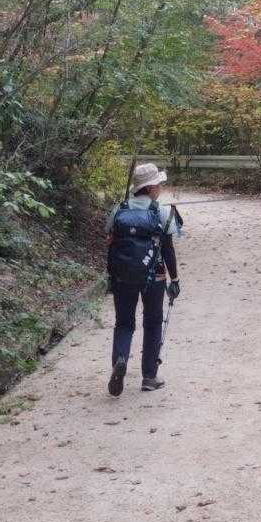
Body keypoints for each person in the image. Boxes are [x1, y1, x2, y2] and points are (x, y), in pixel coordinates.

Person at [106, 161, 180, 397]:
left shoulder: (119, 210)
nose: (160, 188)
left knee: (124, 323)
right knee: (153, 322)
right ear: (149, 188)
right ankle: (149, 376)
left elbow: (110, 242)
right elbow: (168, 250)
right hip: (154, 276)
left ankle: (120, 359)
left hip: (122, 276)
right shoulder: (161, 212)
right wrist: (175, 280)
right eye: (157, 184)